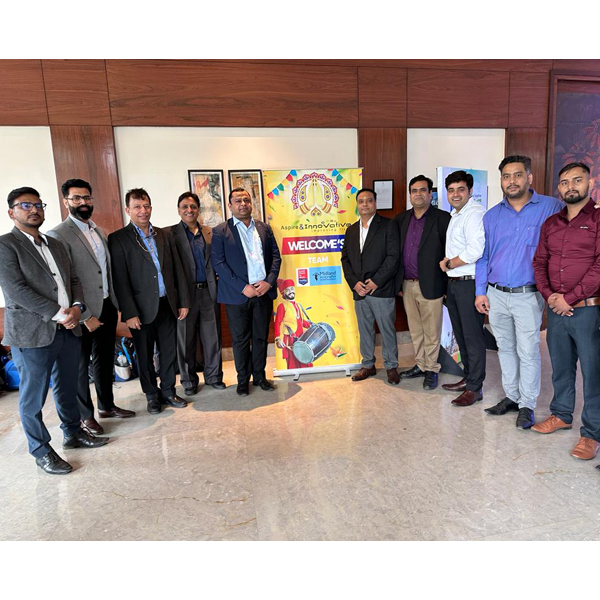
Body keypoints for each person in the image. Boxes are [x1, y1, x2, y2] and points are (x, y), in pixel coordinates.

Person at [0, 187, 108, 475]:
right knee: (33, 396)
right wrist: (59, 314)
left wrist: (75, 307)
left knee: (68, 386)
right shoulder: (5, 245)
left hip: (68, 328)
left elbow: (73, 279)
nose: (34, 210)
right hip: (32, 333)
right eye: (25, 205)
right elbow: (15, 290)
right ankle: (40, 450)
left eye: (38, 205)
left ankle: (73, 434)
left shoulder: (55, 244)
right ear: (12, 212)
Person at [475, 155, 563, 429]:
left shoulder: (551, 207)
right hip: (496, 294)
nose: (511, 181)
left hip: (529, 294)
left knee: (528, 351)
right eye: (506, 176)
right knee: (505, 349)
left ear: (529, 178)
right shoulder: (492, 216)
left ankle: (527, 404)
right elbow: (484, 257)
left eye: (517, 175)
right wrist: (480, 292)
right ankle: (511, 396)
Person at [48, 178, 135, 435]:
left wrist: (114, 305)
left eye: (87, 198)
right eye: (77, 198)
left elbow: (104, 272)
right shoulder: (58, 235)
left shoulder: (99, 231)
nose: (83, 203)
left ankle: (107, 406)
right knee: (79, 365)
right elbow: (64, 281)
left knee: (104, 359)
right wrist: (84, 316)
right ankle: (86, 416)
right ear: (66, 202)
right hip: (82, 312)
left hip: (107, 305)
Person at [532, 162, 600, 460]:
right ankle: (561, 415)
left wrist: (569, 298)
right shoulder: (552, 223)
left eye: (577, 180)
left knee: (593, 372)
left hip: (587, 310)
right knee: (560, 366)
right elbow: (539, 262)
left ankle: (592, 433)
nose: (570, 186)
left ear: (590, 182)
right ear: (558, 188)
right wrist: (550, 296)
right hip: (557, 310)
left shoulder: (598, 218)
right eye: (564, 182)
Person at [108, 188, 190, 414]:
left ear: (151, 207)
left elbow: (177, 270)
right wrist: (129, 312)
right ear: (128, 210)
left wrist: (183, 300)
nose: (143, 211)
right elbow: (120, 280)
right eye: (137, 207)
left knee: (168, 352)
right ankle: (152, 396)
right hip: (140, 310)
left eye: (146, 206)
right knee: (144, 355)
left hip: (167, 304)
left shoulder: (164, 235)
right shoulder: (118, 239)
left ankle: (168, 391)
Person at [211, 187, 281, 396]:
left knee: (260, 337)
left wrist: (269, 282)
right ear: (230, 206)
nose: (243, 204)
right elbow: (218, 263)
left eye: (246, 200)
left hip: (263, 292)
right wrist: (243, 287)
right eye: (238, 201)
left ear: (252, 204)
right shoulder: (220, 231)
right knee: (240, 339)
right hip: (237, 295)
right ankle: (243, 380)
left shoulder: (264, 229)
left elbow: (276, 257)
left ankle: (259, 376)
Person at [395, 175, 451, 390]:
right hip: (407, 284)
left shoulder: (442, 218)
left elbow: (449, 252)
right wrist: (398, 284)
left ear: (430, 194)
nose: (418, 194)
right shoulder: (401, 220)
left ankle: (432, 368)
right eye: (414, 190)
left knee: (431, 330)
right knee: (416, 329)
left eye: (422, 190)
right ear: (410, 195)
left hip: (432, 283)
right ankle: (420, 364)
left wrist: (446, 285)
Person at [341, 187, 400, 384]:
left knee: (387, 329)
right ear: (357, 205)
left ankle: (391, 366)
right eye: (361, 201)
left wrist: (376, 281)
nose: (365, 204)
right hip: (359, 291)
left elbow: (393, 257)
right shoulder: (350, 230)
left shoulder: (388, 226)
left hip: (381, 289)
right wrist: (354, 283)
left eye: (369, 200)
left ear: (375, 204)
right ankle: (367, 365)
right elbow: (345, 260)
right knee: (365, 329)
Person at [170, 192, 225, 395]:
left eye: (193, 206)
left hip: (209, 293)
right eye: (185, 206)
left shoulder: (210, 233)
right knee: (186, 340)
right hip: (185, 296)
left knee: (213, 338)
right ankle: (188, 381)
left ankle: (214, 377)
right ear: (179, 210)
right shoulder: (170, 235)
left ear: (198, 210)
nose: (189, 210)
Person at [439, 171, 486, 406]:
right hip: (456, 282)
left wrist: (449, 264)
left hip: (468, 282)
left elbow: (476, 249)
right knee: (461, 336)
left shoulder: (474, 213)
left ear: (469, 191)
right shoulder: (455, 214)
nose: (455, 194)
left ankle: (475, 388)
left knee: (473, 337)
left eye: (460, 189)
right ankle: (468, 378)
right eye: (451, 190)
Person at [274, 278, 312, 369]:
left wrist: (312, 326)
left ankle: (308, 382)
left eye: (292, 288)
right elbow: (277, 323)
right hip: (291, 339)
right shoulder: (282, 306)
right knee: (293, 364)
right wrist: (278, 338)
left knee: (306, 360)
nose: (291, 291)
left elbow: (301, 321)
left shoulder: (298, 305)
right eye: (288, 290)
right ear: (283, 292)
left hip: (302, 337)